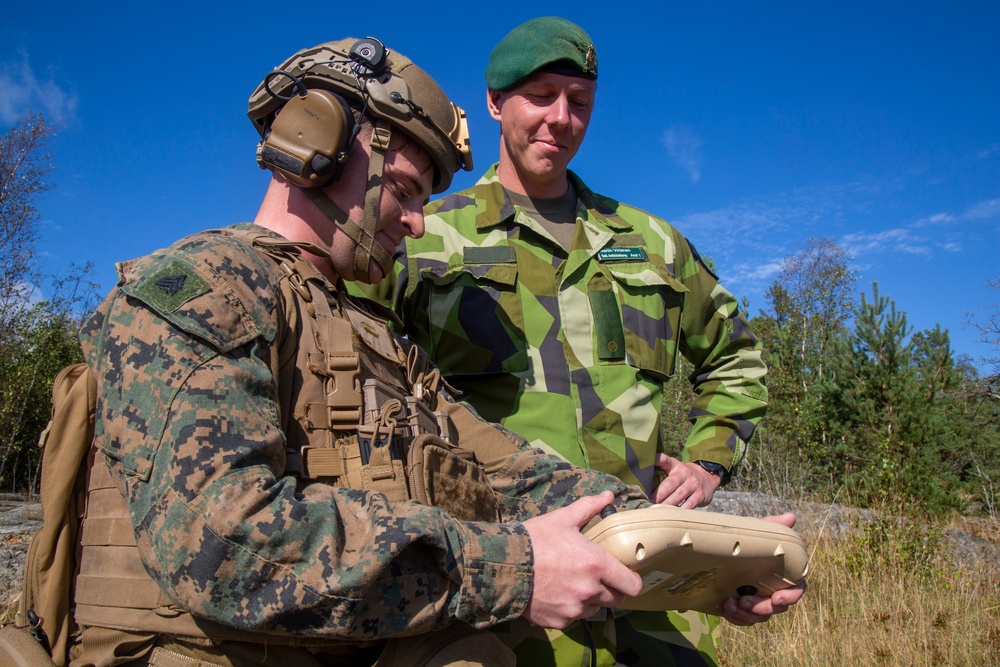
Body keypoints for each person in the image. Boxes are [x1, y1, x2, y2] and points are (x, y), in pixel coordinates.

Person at [64, 36, 664, 667]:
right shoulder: (201, 287)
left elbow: (514, 474)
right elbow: (221, 541)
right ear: (313, 144)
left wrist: (684, 544)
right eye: (404, 190)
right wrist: (515, 570)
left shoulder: (380, 340)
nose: (416, 222)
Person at [357, 17, 787, 667]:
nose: (561, 118)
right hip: (497, 606)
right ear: (496, 102)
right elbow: (348, 375)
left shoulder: (654, 244)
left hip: (649, 600)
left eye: (579, 101)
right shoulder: (422, 238)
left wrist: (709, 460)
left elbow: (738, 358)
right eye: (541, 95)